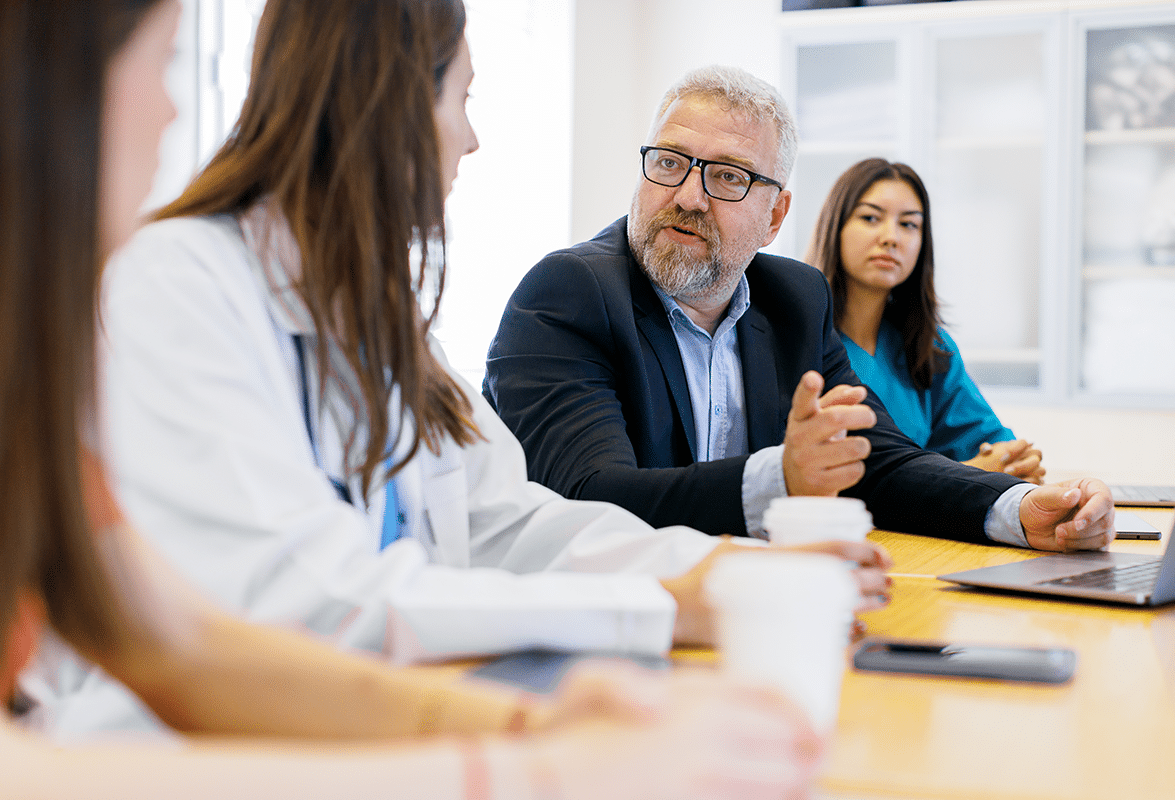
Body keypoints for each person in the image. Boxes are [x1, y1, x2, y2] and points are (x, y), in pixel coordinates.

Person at [0, 2, 822, 797]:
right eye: (459, 97)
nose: (471, 137)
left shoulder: (372, 313)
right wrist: (635, 626)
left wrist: (708, 574)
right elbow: (307, 605)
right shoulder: (174, 286)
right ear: (390, 103)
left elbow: (505, 518)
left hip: (353, 740)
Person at [484, 65, 1114, 548]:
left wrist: (1022, 509)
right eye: (670, 163)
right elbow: (591, 499)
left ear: (776, 215)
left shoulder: (794, 299)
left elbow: (877, 462)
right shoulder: (567, 293)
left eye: (729, 177)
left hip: (747, 609)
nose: (689, 197)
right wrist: (782, 476)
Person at [807, 158, 1044, 483]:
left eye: (909, 224)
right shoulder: (800, 336)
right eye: (870, 218)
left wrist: (1017, 460)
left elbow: (993, 443)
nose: (891, 237)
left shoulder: (929, 346)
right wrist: (972, 475)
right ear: (835, 227)